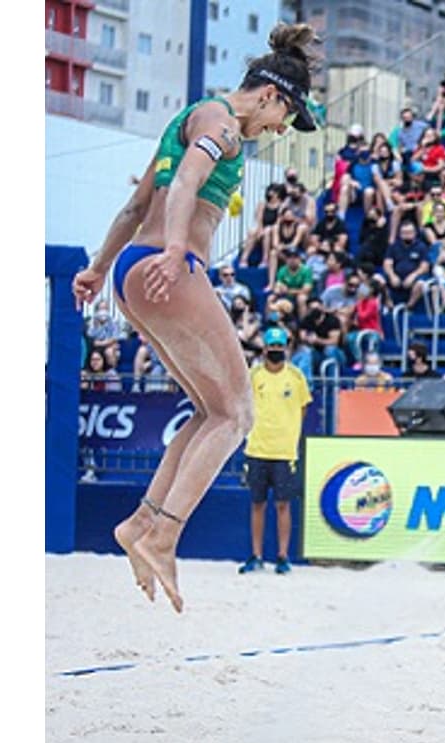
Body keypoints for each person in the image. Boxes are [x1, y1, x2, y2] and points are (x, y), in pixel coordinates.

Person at [70, 23, 321, 612]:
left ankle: (143, 523)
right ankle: (164, 535)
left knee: (210, 412)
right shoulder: (224, 126)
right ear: (270, 95)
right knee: (238, 414)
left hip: (138, 271)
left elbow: (138, 204)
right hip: (169, 270)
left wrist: (100, 267)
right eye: (285, 117)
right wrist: (177, 249)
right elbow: (185, 184)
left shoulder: (191, 117)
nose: (280, 130)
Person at [237, 327, 311, 575]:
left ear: (286, 348)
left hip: (284, 452)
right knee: (257, 504)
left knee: (283, 505)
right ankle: (256, 555)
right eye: (273, 347)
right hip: (257, 447)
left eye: (281, 347)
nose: (277, 351)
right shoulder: (254, 375)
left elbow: (303, 408)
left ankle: (282, 556)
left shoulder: (296, 377)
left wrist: (289, 435)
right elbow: (243, 406)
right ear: (265, 348)